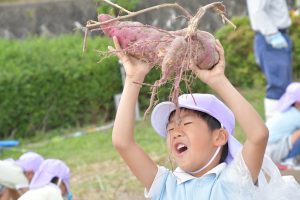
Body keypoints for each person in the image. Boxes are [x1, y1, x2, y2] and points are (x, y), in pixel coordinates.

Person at [108, 35, 299, 199]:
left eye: (186, 123)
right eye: (170, 129)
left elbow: (258, 135)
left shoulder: (234, 181)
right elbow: (122, 142)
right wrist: (134, 77)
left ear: (219, 137)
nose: (175, 133)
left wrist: (218, 80)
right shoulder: (165, 186)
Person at [246, 0, 293, 121]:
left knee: (283, 86)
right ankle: (274, 128)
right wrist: (272, 34)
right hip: (271, 37)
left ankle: (282, 126)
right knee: (278, 85)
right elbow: (257, 11)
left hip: (276, 35)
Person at [266, 82, 300, 167]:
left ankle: (290, 158)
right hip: (272, 152)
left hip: (265, 150)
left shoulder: (284, 111)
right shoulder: (296, 115)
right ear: (297, 102)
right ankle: (288, 160)